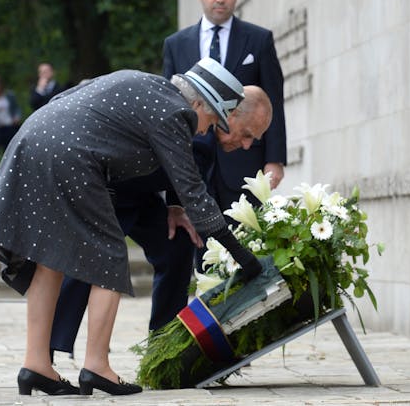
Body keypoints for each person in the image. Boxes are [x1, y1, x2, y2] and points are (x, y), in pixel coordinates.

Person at [0, 59, 263, 396]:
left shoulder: (149, 86)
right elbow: (193, 192)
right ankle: (97, 367)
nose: (206, 128)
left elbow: (78, 93)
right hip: (72, 156)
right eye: (212, 119)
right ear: (198, 103)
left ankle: (36, 364)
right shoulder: (175, 112)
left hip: (34, 137)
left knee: (49, 257)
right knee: (108, 258)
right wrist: (245, 258)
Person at [49, 84, 273, 357]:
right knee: (93, 259)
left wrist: (176, 207)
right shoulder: (198, 129)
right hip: (107, 188)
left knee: (177, 244)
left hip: (140, 193)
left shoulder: (209, 136)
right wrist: (242, 256)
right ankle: (49, 346)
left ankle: (163, 344)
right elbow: (195, 191)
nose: (248, 145)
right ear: (231, 114)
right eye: (248, 134)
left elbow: (185, 178)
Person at [162, 0, 287, 209]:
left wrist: (275, 160)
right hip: (192, 164)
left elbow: (273, 100)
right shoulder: (175, 44)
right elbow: (170, 107)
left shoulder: (259, 40)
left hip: (245, 163)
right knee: (198, 245)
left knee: (246, 242)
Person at [0, 73, 22, 153]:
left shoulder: (9, 95)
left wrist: (17, 117)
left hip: (9, 126)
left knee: (9, 150)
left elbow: (16, 108)